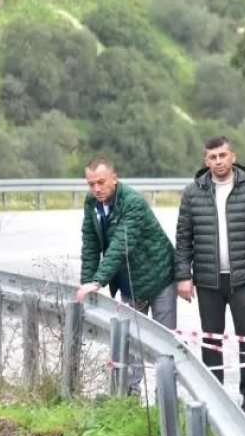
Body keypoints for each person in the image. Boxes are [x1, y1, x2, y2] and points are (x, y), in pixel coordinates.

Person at [176, 137, 245, 413]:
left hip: (244, 278)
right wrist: (183, 276)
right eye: (212, 157)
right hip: (208, 280)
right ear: (205, 161)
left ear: (233, 156)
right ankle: (215, 393)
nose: (218, 161)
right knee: (211, 339)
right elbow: (183, 238)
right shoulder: (193, 192)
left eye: (222, 155)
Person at [76, 158, 178, 393]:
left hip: (159, 276)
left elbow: (121, 244)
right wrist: (87, 282)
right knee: (131, 342)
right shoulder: (91, 203)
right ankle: (130, 397)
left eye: (101, 182)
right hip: (129, 283)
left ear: (114, 178)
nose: (96, 189)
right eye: (91, 184)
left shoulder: (132, 202)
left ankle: (166, 398)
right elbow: (90, 244)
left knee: (165, 342)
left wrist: (99, 280)